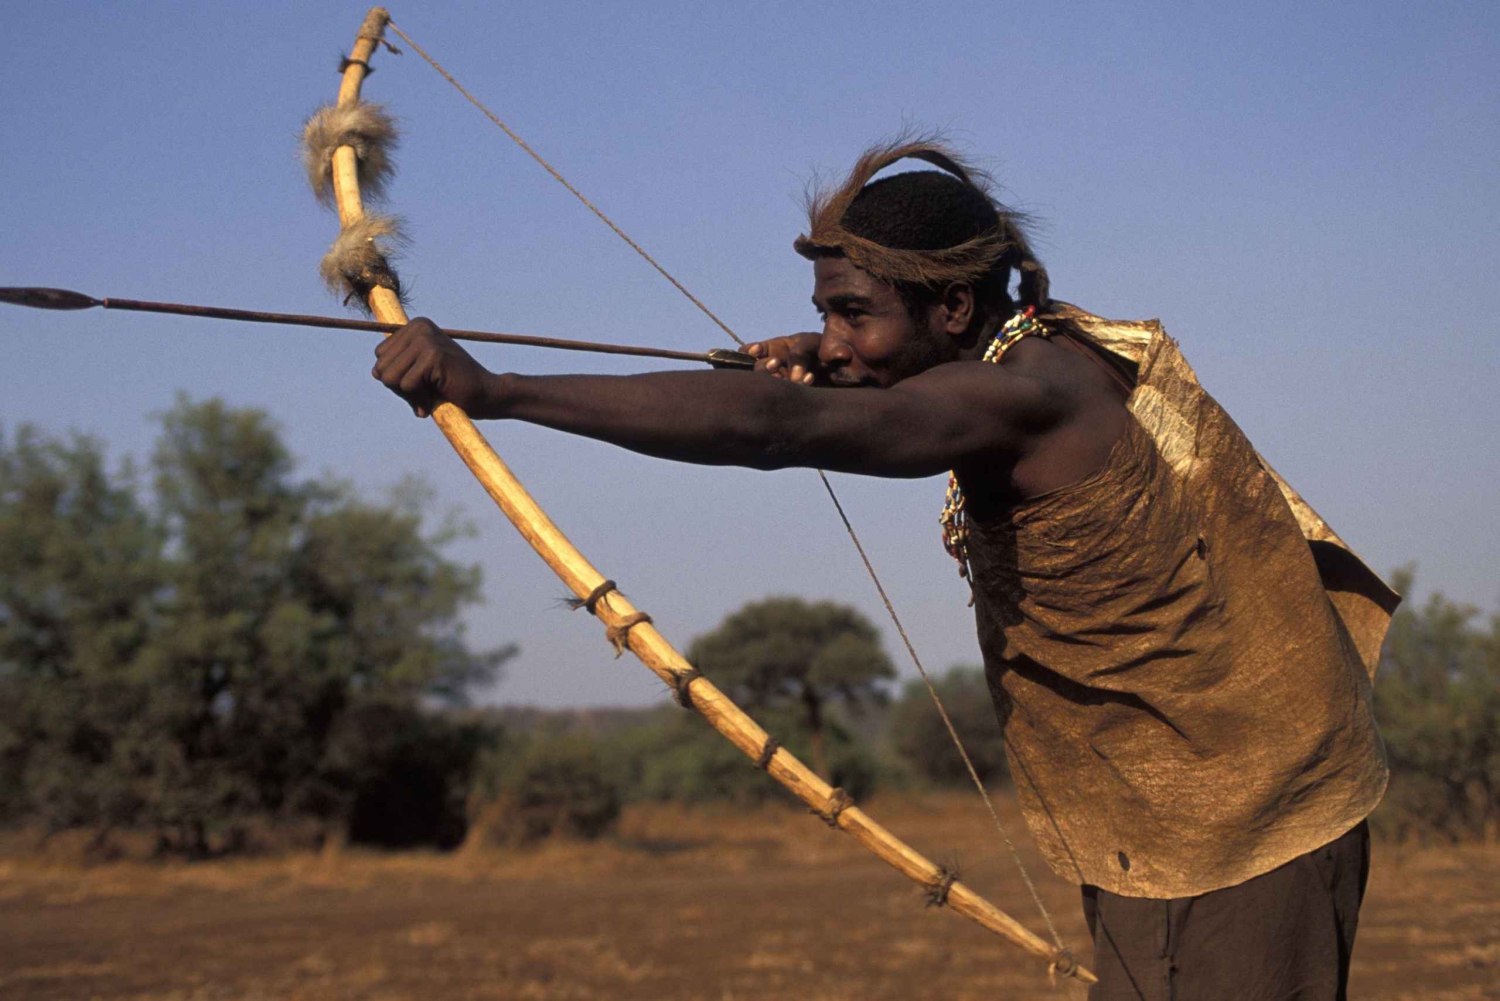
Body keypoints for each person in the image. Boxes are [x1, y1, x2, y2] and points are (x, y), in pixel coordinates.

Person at [371, 138, 1396, 1000]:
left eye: (853, 312)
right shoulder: (1040, 344)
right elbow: (848, 390)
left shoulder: (1023, 397)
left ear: (952, 308)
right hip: (1184, 814)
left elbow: (776, 429)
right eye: (825, 312)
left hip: (1242, 820)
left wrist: (498, 389)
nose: (831, 338)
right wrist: (843, 355)